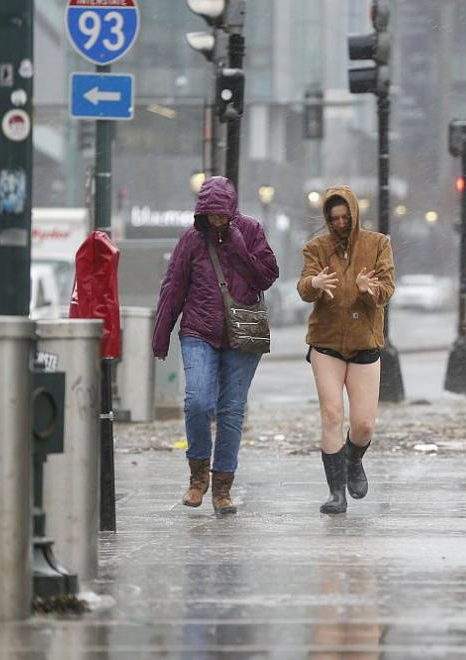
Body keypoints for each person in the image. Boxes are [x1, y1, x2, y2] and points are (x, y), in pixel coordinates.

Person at [152, 175, 279, 514]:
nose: (218, 220)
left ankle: (222, 489)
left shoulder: (249, 231)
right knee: (197, 401)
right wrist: (161, 334)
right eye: (211, 214)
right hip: (199, 330)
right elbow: (173, 288)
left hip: (242, 332)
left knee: (231, 411)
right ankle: (198, 477)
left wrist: (238, 245)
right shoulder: (191, 241)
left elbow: (267, 275)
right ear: (202, 212)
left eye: (223, 214)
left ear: (233, 211)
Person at [297, 185, 395, 514]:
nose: (339, 223)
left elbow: (388, 289)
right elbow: (303, 287)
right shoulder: (316, 248)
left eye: (344, 217)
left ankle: (354, 460)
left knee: (365, 423)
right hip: (326, 342)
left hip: (364, 341)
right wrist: (314, 284)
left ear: (354, 214)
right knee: (332, 415)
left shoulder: (378, 244)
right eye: (333, 218)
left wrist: (369, 289)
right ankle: (336, 492)